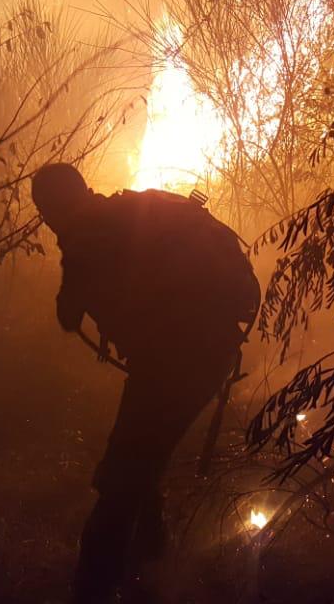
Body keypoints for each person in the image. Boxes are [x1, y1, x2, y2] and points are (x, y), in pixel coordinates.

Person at [30, 163, 259, 604]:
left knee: (121, 478)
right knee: (140, 464)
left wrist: (76, 268)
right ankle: (151, 572)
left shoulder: (86, 236)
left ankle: (94, 591)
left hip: (171, 365)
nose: (47, 220)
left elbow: (67, 315)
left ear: (55, 206)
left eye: (46, 210)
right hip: (208, 353)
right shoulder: (127, 212)